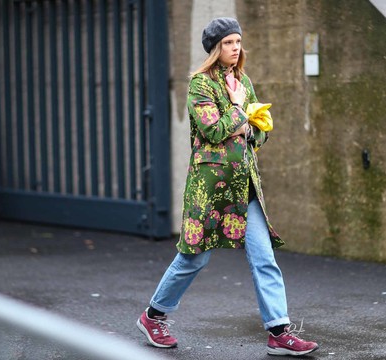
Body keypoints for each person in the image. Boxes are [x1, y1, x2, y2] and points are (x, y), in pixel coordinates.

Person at [135, 17, 319, 357]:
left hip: (244, 186)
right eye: (228, 43)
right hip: (210, 188)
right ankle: (154, 316)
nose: (235, 49)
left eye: (237, 42)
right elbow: (215, 132)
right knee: (194, 259)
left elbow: (259, 129)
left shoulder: (243, 80)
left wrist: (249, 130)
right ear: (215, 49)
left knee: (264, 258)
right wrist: (236, 109)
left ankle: (279, 331)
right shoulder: (199, 85)